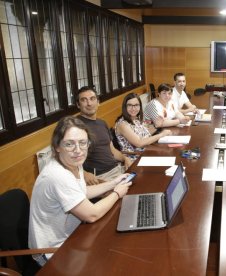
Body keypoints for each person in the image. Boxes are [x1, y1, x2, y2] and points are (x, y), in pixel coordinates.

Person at [28, 116, 132, 266]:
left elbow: (82, 192)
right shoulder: (57, 175)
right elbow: (92, 214)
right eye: (69, 144)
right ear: (57, 146)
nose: (78, 150)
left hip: (73, 236)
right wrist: (117, 193)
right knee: (112, 260)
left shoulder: (73, 162)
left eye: (83, 143)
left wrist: (113, 183)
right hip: (52, 252)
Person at [76, 86, 133, 185]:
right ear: (78, 105)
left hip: (117, 169)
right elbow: (65, 159)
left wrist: (125, 158)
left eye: (92, 99)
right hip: (99, 177)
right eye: (84, 100)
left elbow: (113, 151)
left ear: (98, 102)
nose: (89, 103)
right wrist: (83, 174)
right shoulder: (75, 126)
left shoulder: (102, 123)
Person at [114, 93, 172, 158]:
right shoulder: (123, 124)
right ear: (125, 107)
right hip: (134, 158)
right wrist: (161, 135)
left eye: (136, 105)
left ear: (140, 106)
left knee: (169, 152)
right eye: (130, 105)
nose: (133, 108)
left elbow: (145, 134)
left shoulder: (135, 118)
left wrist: (156, 126)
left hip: (146, 152)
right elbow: (139, 143)